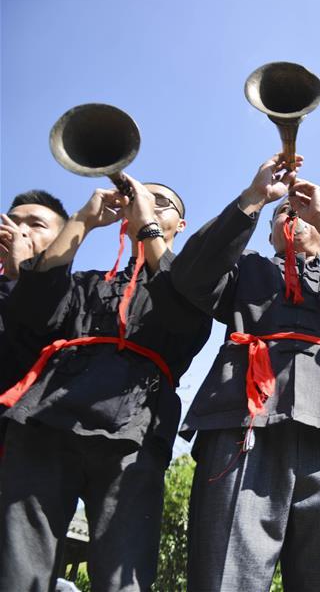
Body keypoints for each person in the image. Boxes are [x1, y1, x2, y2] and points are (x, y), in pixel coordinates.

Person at [170, 154, 320, 592]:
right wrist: (253, 200)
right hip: (243, 423)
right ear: (270, 230)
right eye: (283, 215)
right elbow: (190, 275)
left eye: (301, 213)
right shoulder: (244, 269)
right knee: (225, 578)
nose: (292, 218)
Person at [0, 177, 211, 591]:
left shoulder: (189, 281)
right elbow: (29, 309)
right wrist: (82, 221)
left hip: (134, 431)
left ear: (180, 224)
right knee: (19, 571)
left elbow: (186, 319)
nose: (144, 204)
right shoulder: (84, 282)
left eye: (160, 202)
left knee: (123, 576)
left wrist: (146, 222)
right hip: (44, 420)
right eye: (138, 197)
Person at [0, 190, 69, 457]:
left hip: (22, 446)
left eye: (36, 224)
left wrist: (20, 269)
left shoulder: (73, 295)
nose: (19, 231)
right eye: (13, 221)